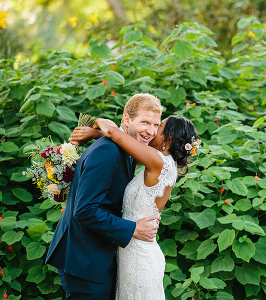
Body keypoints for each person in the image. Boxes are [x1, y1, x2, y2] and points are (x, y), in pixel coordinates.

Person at [44, 93, 165, 299]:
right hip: (85, 258)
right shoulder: (107, 153)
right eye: (145, 122)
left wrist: (97, 132)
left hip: (96, 254)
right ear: (126, 119)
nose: (151, 131)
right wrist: (133, 229)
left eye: (155, 125)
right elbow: (85, 210)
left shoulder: (125, 148)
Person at [81, 115, 198, 300]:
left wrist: (98, 122)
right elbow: (123, 144)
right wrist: (96, 134)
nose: (152, 131)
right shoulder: (162, 163)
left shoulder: (159, 162)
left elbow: (113, 131)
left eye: (159, 127)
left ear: (168, 137)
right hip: (132, 247)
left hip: (139, 255)